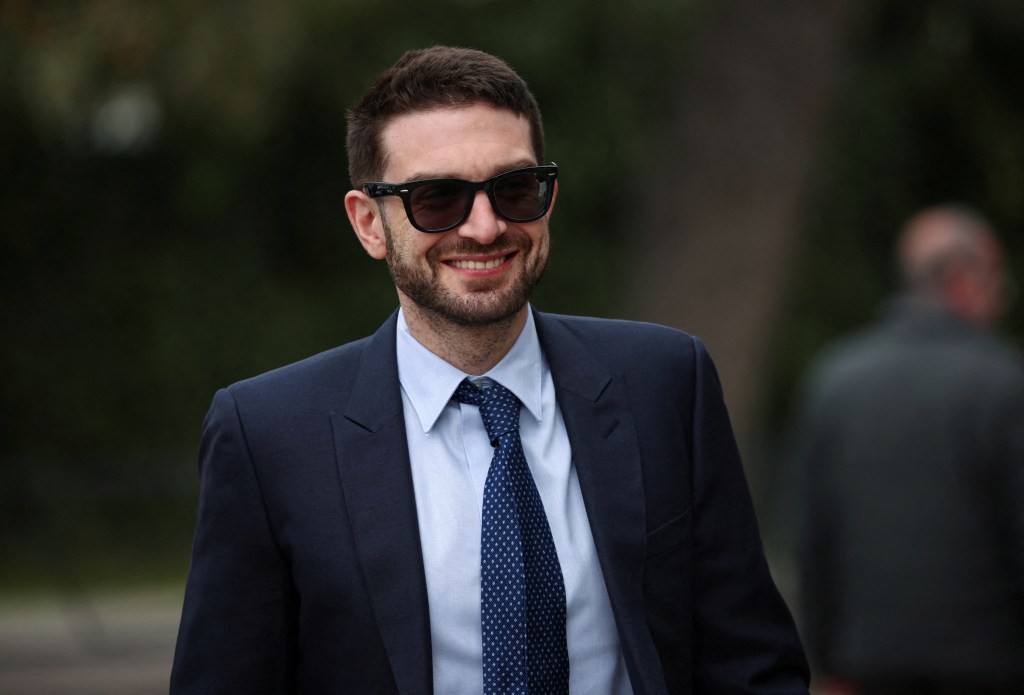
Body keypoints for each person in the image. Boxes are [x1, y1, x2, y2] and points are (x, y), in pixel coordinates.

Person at [170, 46, 808, 694]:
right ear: (369, 223)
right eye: (437, 197)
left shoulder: (665, 383)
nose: (485, 225)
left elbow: (750, 665)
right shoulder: (270, 434)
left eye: (514, 188)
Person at [787, 206, 1024, 694]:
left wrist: (822, 659)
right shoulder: (1004, 383)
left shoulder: (835, 380)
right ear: (963, 279)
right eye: (999, 276)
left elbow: (810, 536)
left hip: (860, 668)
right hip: (988, 671)